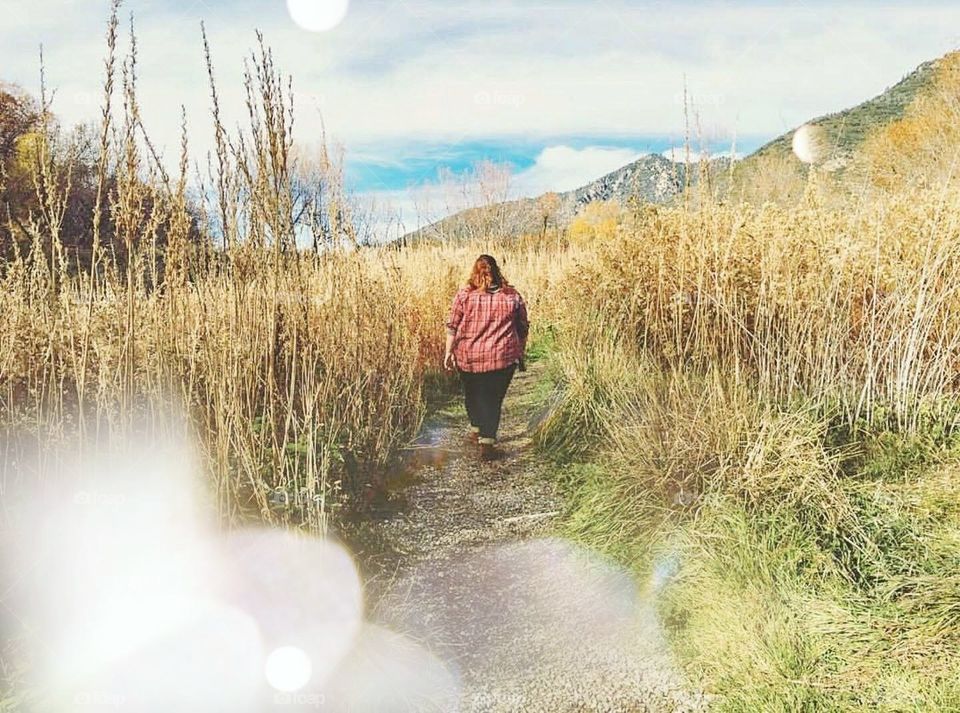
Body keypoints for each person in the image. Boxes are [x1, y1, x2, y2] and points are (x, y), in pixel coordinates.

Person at [444, 254, 529, 461]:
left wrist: (448, 352)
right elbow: (523, 327)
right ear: (497, 270)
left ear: (475, 271)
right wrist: (521, 351)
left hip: (469, 357)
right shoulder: (512, 296)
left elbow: (452, 326)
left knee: (472, 394)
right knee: (493, 399)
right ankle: (487, 441)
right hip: (501, 358)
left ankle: (477, 430)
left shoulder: (464, 295)